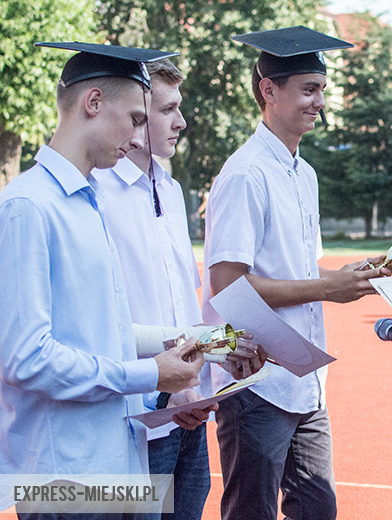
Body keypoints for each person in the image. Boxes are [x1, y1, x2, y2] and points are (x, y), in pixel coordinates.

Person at [0, 42, 205, 518]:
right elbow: (26, 358)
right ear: (93, 103)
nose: (139, 137)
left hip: (118, 460)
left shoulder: (85, 199)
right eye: (136, 118)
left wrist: (185, 346)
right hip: (62, 476)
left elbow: (101, 333)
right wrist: (152, 373)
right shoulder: (28, 206)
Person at [201, 26, 392, 520]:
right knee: (252, 512)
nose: (320, 102)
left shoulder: (303, 172)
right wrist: (327, 288)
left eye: (322, 90)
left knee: (317, 509)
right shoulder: (245, 174)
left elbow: (298, 269)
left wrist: (346, 275)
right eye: (309, 89)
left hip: (306, 383)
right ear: (269, 90)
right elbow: (227, 287)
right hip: (259, 381)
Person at [92, 58, 265, 520]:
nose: (181, 122)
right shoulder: (94, 194)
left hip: (188, 407)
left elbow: (180, 304)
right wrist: (166, 389)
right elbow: (101, 319)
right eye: (168, 109)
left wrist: (220, 350)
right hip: (131, 419)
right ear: (133, 112)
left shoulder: (169, 188)